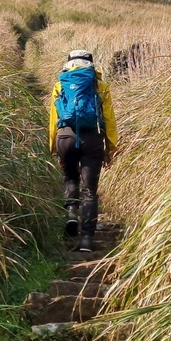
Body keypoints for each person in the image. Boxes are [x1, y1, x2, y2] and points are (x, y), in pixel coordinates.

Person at [48, 49, 118, 253]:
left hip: (65, 137)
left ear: (69, 63)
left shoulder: (60, 85)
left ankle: (71, 213)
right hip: (92, 138)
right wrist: (110, 147)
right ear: (91, 63)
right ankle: (86, 239)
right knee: (90, 190)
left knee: (70, 178)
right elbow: (109, 120)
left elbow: (54, 119)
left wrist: (53, 144)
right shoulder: (100, 86)